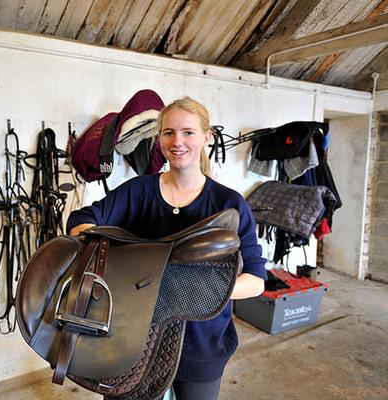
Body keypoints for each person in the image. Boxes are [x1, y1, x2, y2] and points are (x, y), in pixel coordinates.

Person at [66, 97, 266, 400]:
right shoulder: (138, 190)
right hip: (133, 337)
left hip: (201, 343)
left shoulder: (229, 204)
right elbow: (81, 219)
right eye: (168, 133)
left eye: (188, 132)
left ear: (206, 137)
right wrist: (108, 253)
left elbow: (255, 280)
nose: (178, 141)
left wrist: (194, 291)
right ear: (159, 139)